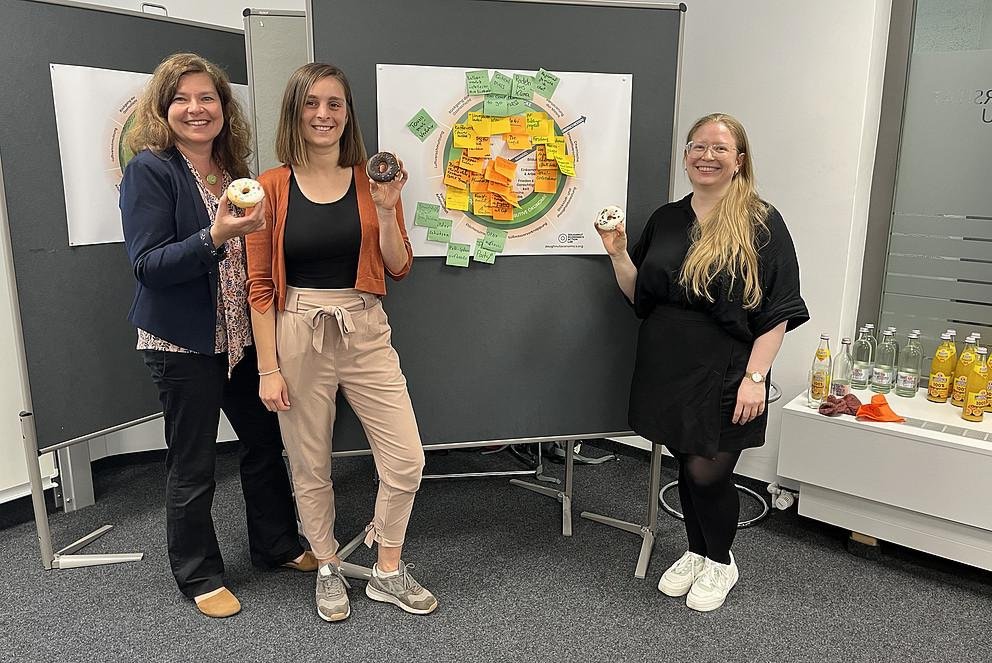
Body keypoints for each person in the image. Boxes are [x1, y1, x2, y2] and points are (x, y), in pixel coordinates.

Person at [120, 52, 317, 619]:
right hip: (184, 343)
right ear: (162, 109)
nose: (195, 108)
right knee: (194, 461)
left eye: (208, 98)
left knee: (262, 443)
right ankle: (198, 573)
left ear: (224, 109)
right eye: (181, 98)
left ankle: (275, 545)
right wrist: (215, 235)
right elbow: (148, 264)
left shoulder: (233, 172)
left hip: (242, 336)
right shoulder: (151, 169)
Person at [245, 62, 436, 622]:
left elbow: (399, 267)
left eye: (334, 104)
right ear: (295, 113)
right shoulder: (272, 186)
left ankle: (387, 569)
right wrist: (267, 368)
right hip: (297, 327)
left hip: (365, 327)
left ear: (347, 113)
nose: (323, 115)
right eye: (311, 103)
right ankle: (326, 564)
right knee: (308, 463)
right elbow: (260, 286)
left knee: (406, 459)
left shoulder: (373, 180)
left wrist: (384, 207)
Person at [597, 113, 808, 612]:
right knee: (687, 467)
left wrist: (756, 378)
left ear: (739, 161)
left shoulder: (761, 222)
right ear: (687, 155)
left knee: (709, 471)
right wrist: (618, 255)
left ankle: (721, 562)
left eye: (719, 148)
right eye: (698, 146)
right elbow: (640, 299)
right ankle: (696, 551)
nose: (706, 156)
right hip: (667, 361)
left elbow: (778, 310)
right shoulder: (667, 218)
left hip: (730, 365)